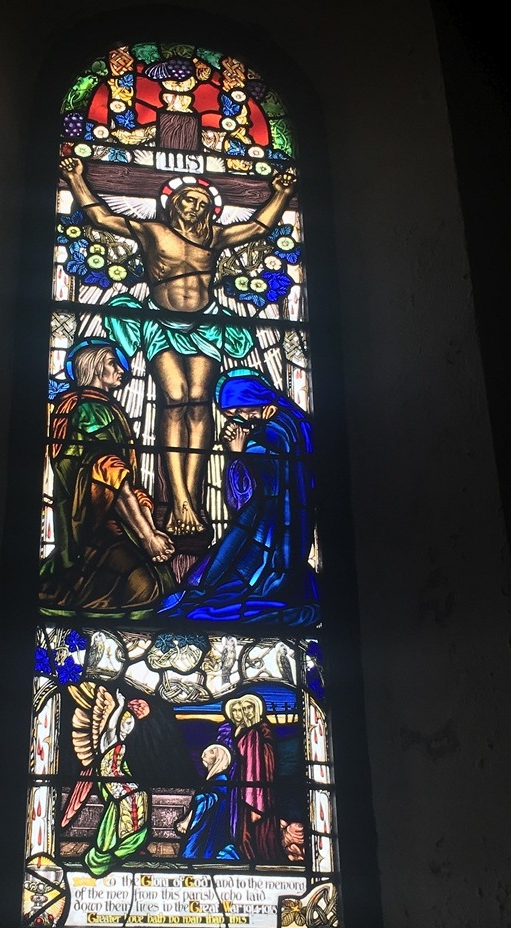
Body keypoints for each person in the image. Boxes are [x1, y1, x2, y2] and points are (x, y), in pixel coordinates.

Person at [59, 157, 298, 536]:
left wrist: (282, 193)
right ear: (173, 204)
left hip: (206, 323)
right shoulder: (152, 231)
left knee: (200, 402)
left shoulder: (214, 237)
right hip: (161, 323)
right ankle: (180, 498)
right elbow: (103, 219)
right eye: (189, 200)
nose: (196, 207)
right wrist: (75, 178)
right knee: (175, 399)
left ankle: (195, 499)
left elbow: (258, 226)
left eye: (203, 204)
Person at [159, 368, 320, 624]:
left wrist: (237, 452)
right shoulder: (294, 423)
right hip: (290, 530)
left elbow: (248, 498)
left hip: (271, 537)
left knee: (220, 586)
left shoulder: (272, 433)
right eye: (232, 415)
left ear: (256, 400)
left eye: (240, 411)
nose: (239, 420)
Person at [39, 337, 175, 613]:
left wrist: (148, 525)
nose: (121, 369)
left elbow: (123, 481)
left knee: (159, 584)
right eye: (113, 362)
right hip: (98, 529)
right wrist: (147, 536)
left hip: (108, 524)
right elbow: (110, 475)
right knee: (145, 590)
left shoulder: (95, 406)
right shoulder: (90, 409)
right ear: (93, 365)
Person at [61, 684, 152, 878]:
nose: (129, 728)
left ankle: (131, 843)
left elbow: (122, 766)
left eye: (131, 725)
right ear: (119, 722)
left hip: (118, 777)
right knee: (131, 798)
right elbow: (111, 726)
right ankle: (121, 846)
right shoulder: (109, 739)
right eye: (126, 723)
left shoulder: (122, 742)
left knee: (140, 795)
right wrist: (119, 706)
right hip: (108, 778)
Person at [228, 693, 283, 864]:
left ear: (257, 708)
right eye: (243, 709)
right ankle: (247, 857)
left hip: (259, 787)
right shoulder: (245, 730)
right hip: (244, 785)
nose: (246, 712)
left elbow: (265, 757)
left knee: (261, 830)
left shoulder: (262, 729)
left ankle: (265, 859)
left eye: (249, 707)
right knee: (244, 832)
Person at [175, 744, 240, 861]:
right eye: (207, 750)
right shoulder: (212, 780)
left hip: (212, 826)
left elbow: (208, 800)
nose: (205, 752)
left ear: (220, 758)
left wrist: (188, 821)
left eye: (212, 752)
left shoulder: (222, 780)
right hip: (206, 824)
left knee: (199, 851)